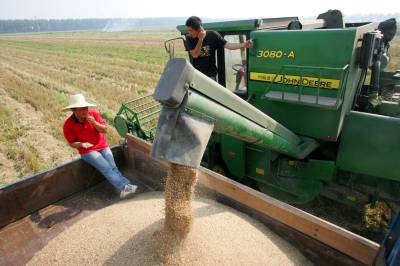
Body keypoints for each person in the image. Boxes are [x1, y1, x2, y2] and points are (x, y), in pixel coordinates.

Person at [62, 93, 137, 200]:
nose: (85, 111)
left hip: (102, 145)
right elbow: (71, 143)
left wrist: (94, 123)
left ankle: (126, 187)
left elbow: (105, 130)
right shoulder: (68, 125)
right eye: (81, 109)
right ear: (74, 111)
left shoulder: (94, 115)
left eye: (86, 108)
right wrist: (82, 144)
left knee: (113, 167)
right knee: (106, 168)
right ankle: (125, 186)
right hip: (87, 151)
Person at [185, 16, 253, 81]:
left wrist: (244, 44)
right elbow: (195, 55)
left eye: (191, 30)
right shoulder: (189, 38)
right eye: (188, 30)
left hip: (210, 75)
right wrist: (200, 40)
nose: (189, 33)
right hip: (196, 75)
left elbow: (228, 45)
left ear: (199, 29)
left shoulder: (213, 35)